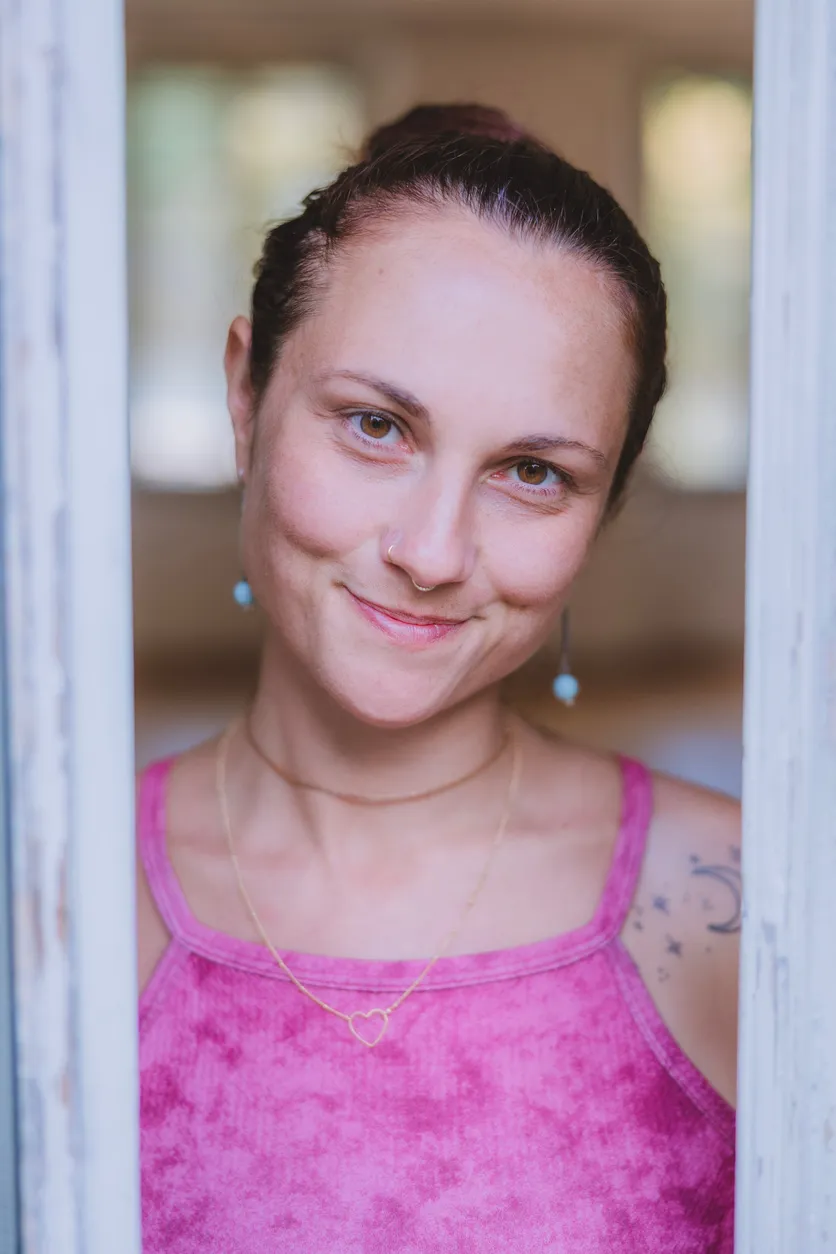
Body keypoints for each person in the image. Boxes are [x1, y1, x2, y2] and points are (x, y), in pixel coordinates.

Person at [136, 103, 739, 1253]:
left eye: (531, 472)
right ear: (245, 397)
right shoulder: (57, 894)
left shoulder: (739, 905)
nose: (430, 552)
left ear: (603, 508)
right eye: (374, 425)